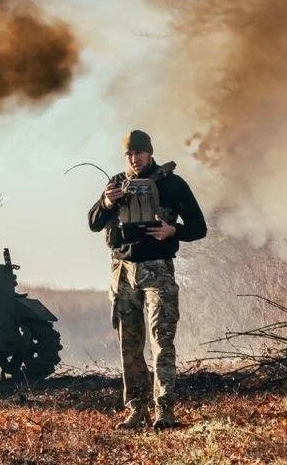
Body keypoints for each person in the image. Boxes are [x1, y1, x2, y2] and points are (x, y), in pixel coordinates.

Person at [87, 129, 207, 429]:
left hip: (157, 269)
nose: (134, 158)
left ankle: (165, 409)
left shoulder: (172, 184)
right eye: (129, 153)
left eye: (139, 152)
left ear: (150, 153)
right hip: (123, 271)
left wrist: (173, 231)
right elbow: (93, 222)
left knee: (161, 340)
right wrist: (106, 203)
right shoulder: (116, 184)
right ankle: (136, 409)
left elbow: (199, 226)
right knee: (129, 341)